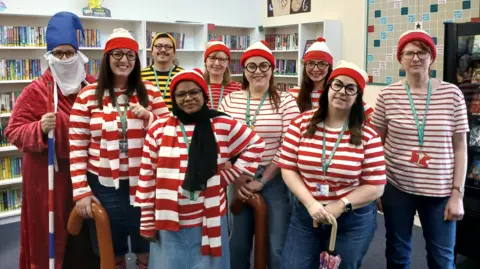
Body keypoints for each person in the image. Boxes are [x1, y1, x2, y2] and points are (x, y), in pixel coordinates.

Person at [134, 68, 265, 269]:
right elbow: (147, 178)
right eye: (181, 94)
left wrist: (228, 176)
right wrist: (147, 221)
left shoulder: (221, 123)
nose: (188, 98)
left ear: (203, 94)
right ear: (173, 98)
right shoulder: (158, 129)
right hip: (168, 221)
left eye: (194, 92)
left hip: (208, 217)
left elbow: (256, 144)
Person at [69, 28, 170, 269]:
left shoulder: (151, 94)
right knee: (110, 247)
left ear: (137, 61)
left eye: (130, 55)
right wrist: (81, 191)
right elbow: (76, 146)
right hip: (103, 186)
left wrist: (149, 119)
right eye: (118, 54)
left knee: (147, 245)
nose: (124, 60)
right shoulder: (87, 96)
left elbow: (170, 136)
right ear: (106, 58)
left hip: (145, 183)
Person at [5, 11, 98, 269]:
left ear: (79, 54)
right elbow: (13, 131)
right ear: (49, 56)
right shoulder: (35, 90)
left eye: (70, 53)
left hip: (85, 175)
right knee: (52, 240)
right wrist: (38, 128)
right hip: (48, 179)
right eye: (59, 54)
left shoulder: (92, 86)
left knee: (86, 240)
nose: (65, 59)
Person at [372, 30, 469, 269]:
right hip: (397, 187)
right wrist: (377, 188)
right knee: (397, 252)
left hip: (441, 190)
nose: (415, 58)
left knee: (442, 258)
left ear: (431, 57)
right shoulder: (387, 95)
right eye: (409, 53)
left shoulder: (452, 94)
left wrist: (457, 193)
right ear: (400, 59)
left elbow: (460, 147)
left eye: (422, 52)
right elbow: (376, 144)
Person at [278, 60, 386, 269]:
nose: (342, 92)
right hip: (307, 215)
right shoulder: (301, 124)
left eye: (350, 88)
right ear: (328, 88)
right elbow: (288, 168)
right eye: (337, 84)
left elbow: (376, 186)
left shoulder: (368, 134)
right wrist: (311, 203)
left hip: (352, 219)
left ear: (357, 97)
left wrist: (340, 204)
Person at [220, 40, 300, 269]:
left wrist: (263, 180)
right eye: (251, 66)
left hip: (273, 178)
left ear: (272, 69)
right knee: (237, 242)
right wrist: (236, 177)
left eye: (264, 66)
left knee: (277, 242)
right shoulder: (230, 100)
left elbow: (289, 146)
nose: (258, 72)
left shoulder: (286, 101)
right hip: (237, 177)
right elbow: (221, 142)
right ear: (243, 70)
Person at [288, 37, 374, 118]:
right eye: (310, 63)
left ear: (329, 67)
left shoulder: (337, 93)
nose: (315, 69)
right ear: (305, 66)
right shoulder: (292, 94)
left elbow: (370, 115)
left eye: (322, 64)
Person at [141, 32, 184, 111]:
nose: (163, 50)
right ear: (152, 51)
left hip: (176, 122)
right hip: (150, 121)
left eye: (168, 47)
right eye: (158, 46)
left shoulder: (183, 75)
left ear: (174, 52)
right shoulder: (141, 76)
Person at [203, 40, 242, 110]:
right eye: (212, 58)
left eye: (222, 59)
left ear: (227, 63)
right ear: (206, 61)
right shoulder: (198, 88)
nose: (217, 63)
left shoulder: (238, 89)